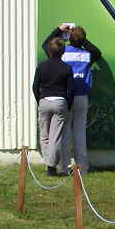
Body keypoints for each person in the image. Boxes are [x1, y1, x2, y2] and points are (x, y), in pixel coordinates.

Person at [42, 23, 101, 175]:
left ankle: (64, 167)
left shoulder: (63, 52)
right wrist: (80, 39)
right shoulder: (87, 54)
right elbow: (97, 52)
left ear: (69, 38)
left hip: (66, 96)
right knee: (80, 133)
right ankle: (82, 168)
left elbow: (46, 45)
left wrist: (59, 30)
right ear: (82, 40)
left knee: (65, 132)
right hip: (82, 96)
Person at [33, 37, 74, 176]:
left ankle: (49, 166)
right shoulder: (67, 68)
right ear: (63, 51)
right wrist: (68, 105)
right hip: (60, 102)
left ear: (49, 51)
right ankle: (51, 166)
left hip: (44, 101)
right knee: (55, 137)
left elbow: (35, 87)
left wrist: (40, 100)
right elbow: (71, 91)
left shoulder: (41, 66)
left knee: (44, 136)